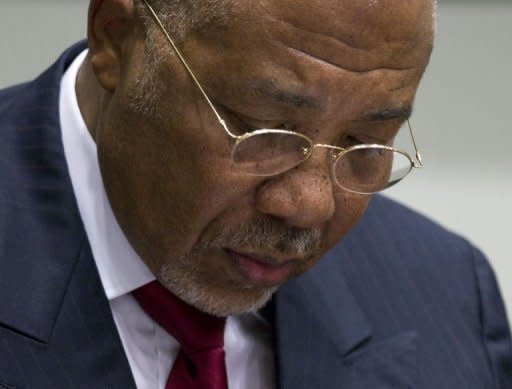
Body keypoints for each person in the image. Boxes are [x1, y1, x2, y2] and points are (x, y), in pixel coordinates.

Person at [0, 0, 511, 388]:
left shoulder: (451, 298)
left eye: (365, 143)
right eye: (264, 130)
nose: (310, 206)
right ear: (117, 37)